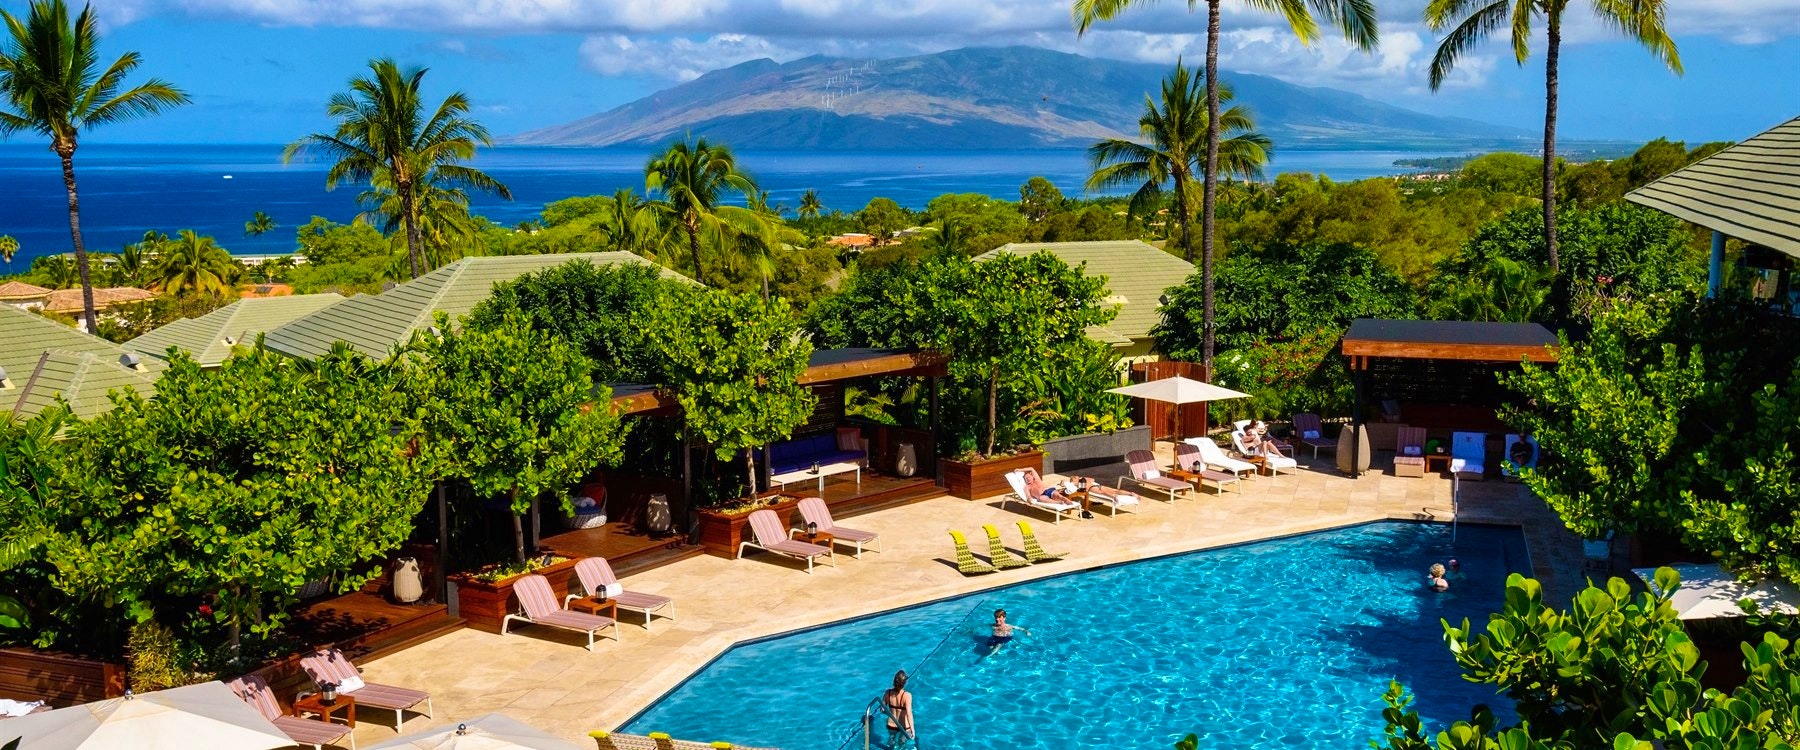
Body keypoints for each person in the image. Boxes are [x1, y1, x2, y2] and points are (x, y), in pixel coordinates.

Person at [882, 670, 915, 748]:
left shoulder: (888, 693)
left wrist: (891, 713)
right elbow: (909, 714)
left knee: (891, 741)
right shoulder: (907, 695)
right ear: (904, 683)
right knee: (901, 744)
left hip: (891, 724)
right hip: (904, 726)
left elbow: (882, 709)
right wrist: (912, 729)